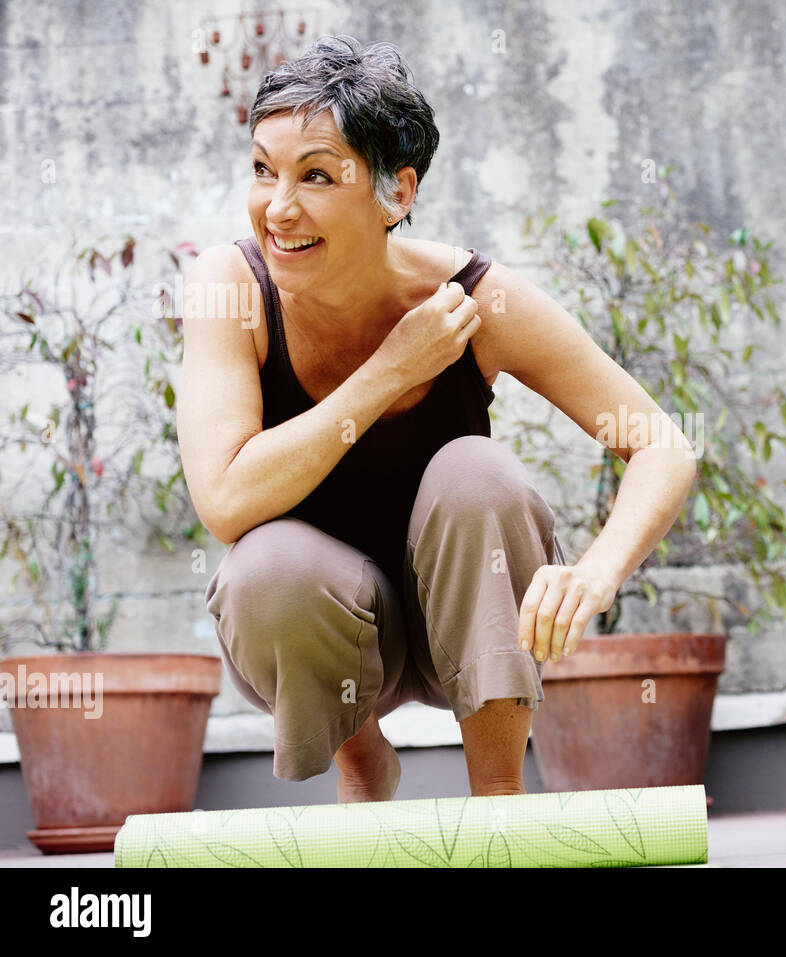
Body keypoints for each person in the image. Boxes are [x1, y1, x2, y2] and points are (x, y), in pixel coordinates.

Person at [176, 36, 698, 803]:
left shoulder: (475, 298)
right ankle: (363, 763)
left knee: (477, 474)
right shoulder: (232, 288)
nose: (277, 208)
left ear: (398, 192)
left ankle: (498, 794)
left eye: (316, 175)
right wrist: (390, 369)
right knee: (265, 566)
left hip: (468, 614)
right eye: (263, 169)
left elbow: (661, 442)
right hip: (330, 626)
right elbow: (224, 498)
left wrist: (596, 572)